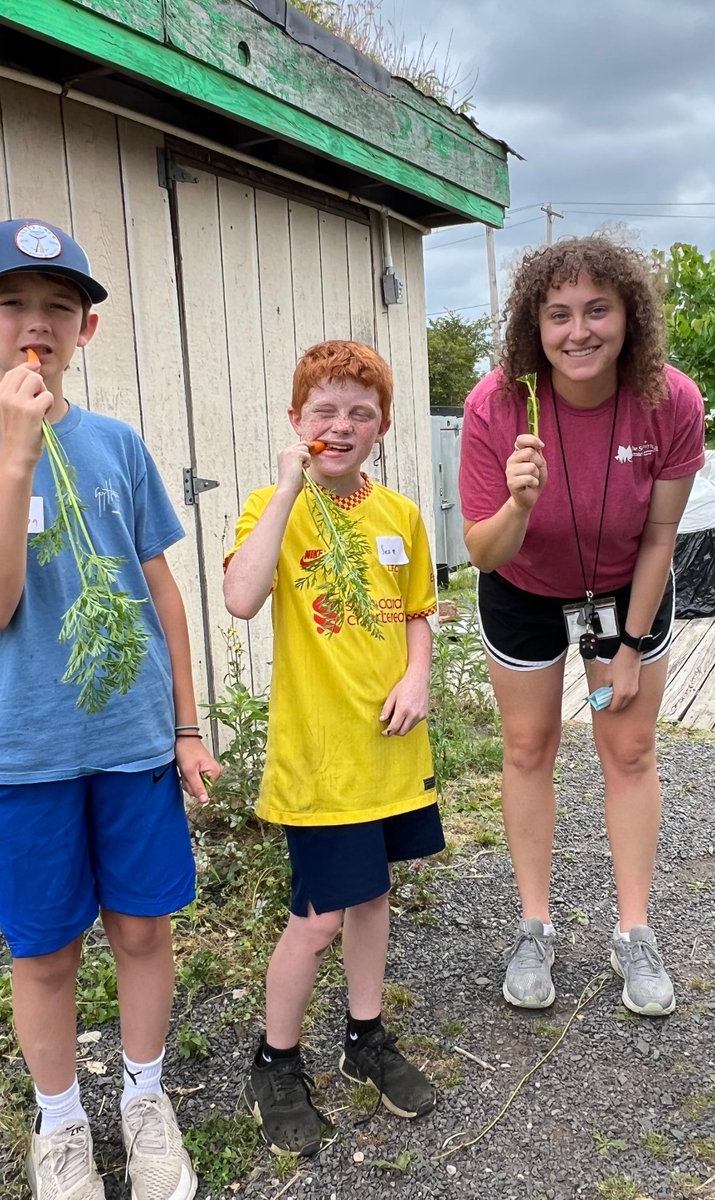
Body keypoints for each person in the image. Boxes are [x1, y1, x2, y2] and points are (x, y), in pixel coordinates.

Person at [0, 218, 218, 1200]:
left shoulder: (117, 445)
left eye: (59, 308)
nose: (36, 326)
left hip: (130, 743)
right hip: (21, 753)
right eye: (11, 304)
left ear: (86, 329)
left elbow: (159, 592)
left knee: (144, 931)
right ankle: (62, 1119)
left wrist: (187, 725)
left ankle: (144, 1097)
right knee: (42, 951)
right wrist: (16, 451)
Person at [458, 235, 705, 1015]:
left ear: (631, 315)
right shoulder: (496, 403)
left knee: (628, 748)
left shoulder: (671, 400)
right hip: (524, 587)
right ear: (534, 324)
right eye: (558, 314)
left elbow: (661, 536)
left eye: (598, 309)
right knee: (529, 746)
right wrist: (518, 504)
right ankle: (535, 924)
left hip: (623, 590)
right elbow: (482, 551)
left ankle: (635, 931)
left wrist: (629, 646)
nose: (578, 331)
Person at [223, 340, 442, 1155]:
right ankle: (274, 1061)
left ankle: (364, 1038)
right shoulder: (270, 507)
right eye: (324, 410)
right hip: (321, 762)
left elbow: (417, 608)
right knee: (314, 919)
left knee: (374, 895)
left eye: (359, 412)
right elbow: (242, 596)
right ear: (296, 420)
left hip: (390, 752)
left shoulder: (401, 516)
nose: (341, 425)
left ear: (382, 425)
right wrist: (288, 485)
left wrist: (418, 675)